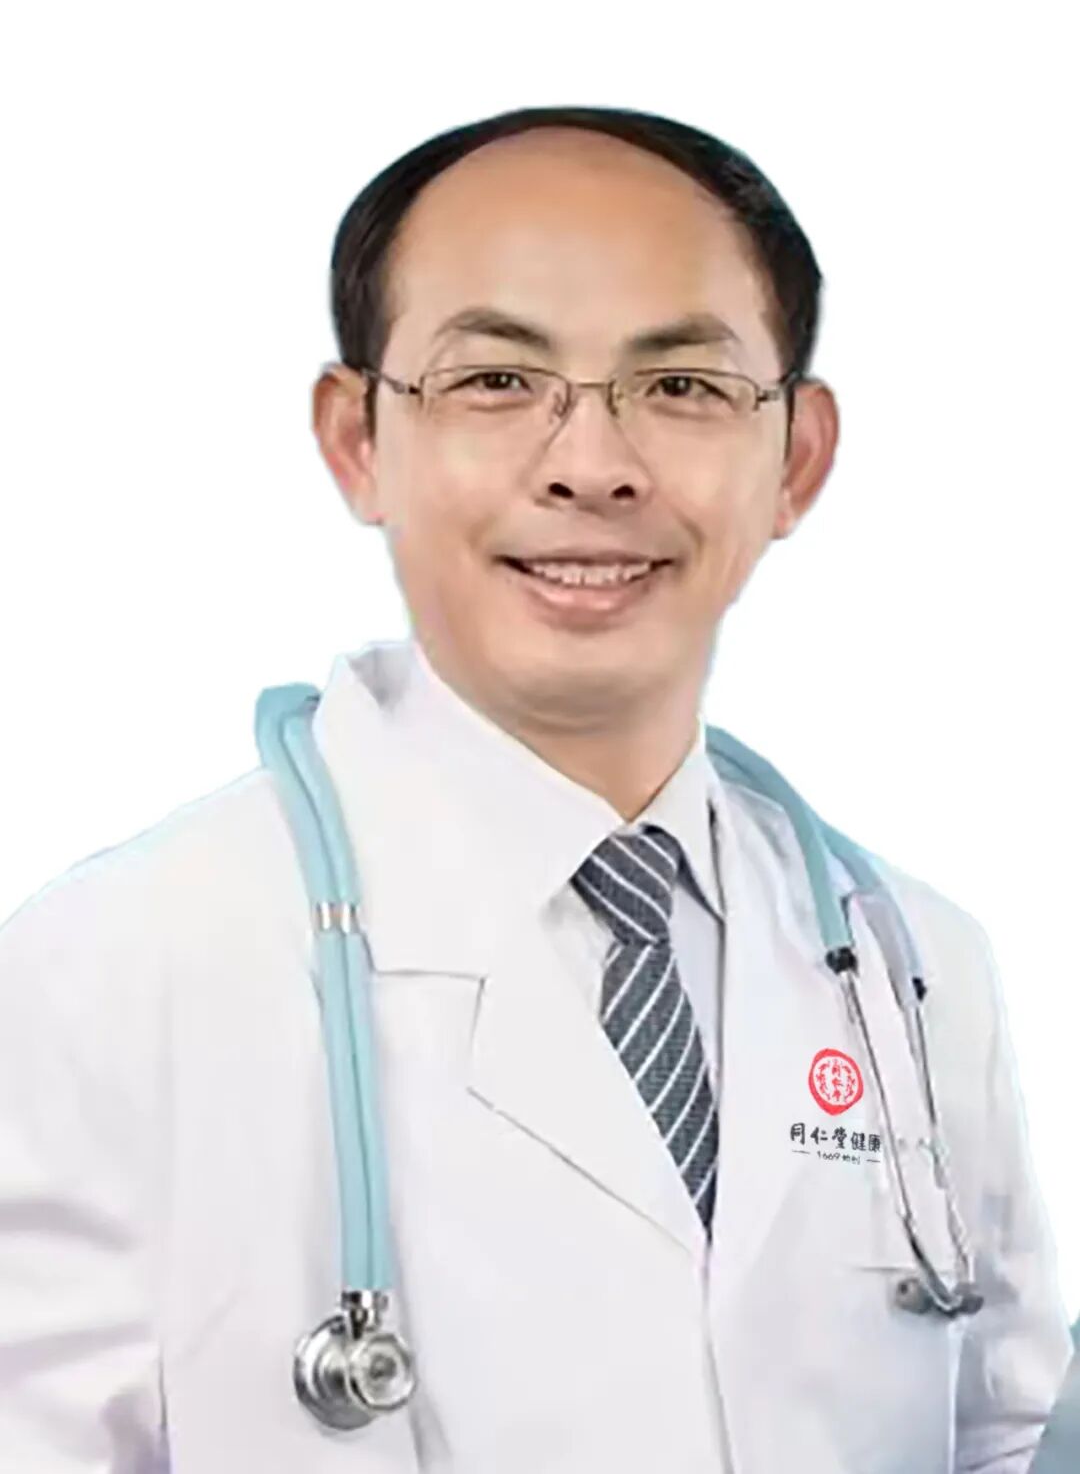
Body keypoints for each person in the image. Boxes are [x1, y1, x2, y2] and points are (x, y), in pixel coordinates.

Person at [0, 103, 1071, 1473]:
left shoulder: (916, 969)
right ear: (357, 441)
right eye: (498, 380)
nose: (591, 466)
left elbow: (1003, 1434)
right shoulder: (106, 973)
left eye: (680, 386)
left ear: (796, 458)